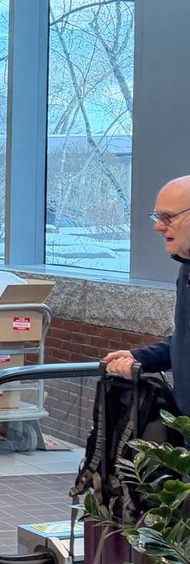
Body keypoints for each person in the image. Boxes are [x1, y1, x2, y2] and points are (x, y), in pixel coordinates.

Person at [105, 174, 190, 415]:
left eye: (168, 217)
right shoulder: (186, 268)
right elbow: (184, 342)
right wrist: (139, 357)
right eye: (158, 216)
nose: (158, 226)